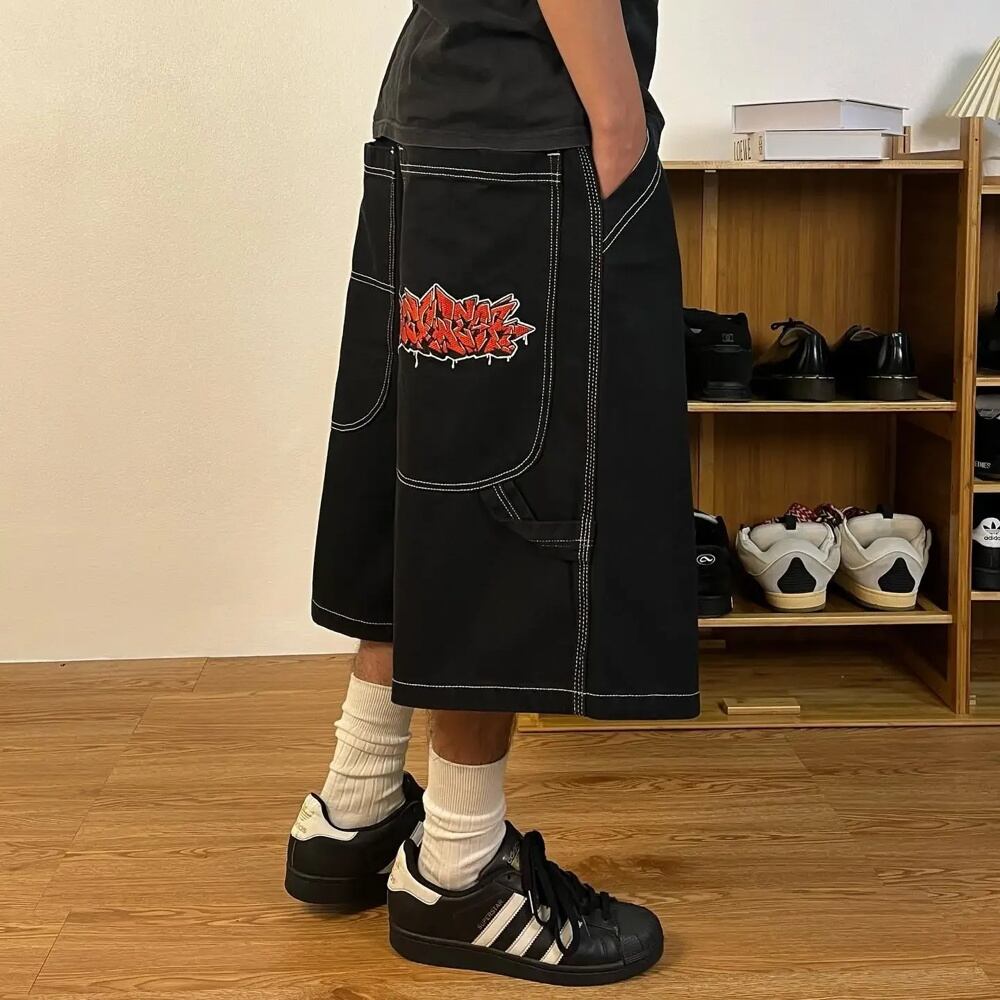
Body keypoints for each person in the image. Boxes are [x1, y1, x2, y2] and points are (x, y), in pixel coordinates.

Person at [285, 0, 699, 986]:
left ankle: (356, 804)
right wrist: (617, 122)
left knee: (431, 478)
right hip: (524, 126)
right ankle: (457, 870)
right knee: (496, 506)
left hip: (442, 106)